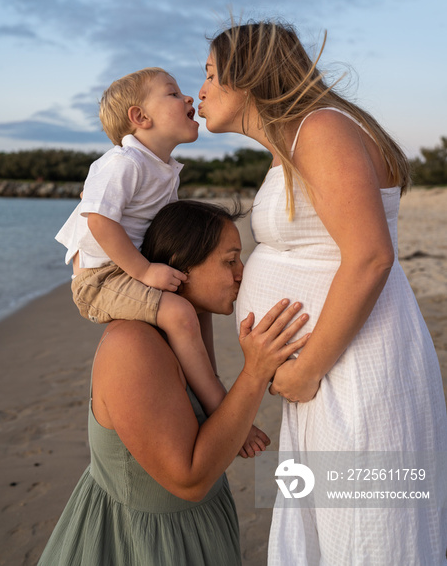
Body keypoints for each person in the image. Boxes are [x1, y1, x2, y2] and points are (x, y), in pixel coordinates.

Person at [198, 19, 447, 565]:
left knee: (368, 540)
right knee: (322, 537)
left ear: (249, 74)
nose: (201, 90)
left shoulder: (320, 127)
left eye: (211, 74)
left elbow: (371, 256)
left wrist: (306, 368)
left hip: (352, 373)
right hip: (325, 371)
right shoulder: (296, 141)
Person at [38, 199, 311, 566]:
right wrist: (255, 372)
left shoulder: (192, 325)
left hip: (196, 527)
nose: (241, 273)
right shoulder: (132, 346)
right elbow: (189, 480)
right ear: (180, 267)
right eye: (229, 260)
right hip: (140, 542)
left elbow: (215, 421)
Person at [56, 68, 227, 418]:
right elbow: (100, 221)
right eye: (173, 94)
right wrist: (146, 270)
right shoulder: (124, 161)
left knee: (200, 300)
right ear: (140, 117)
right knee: (179, 312)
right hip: (101, 280)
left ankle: (206, 378)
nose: (189, 98)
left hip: (125, 269)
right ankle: (217, 403)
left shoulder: (159, 167)